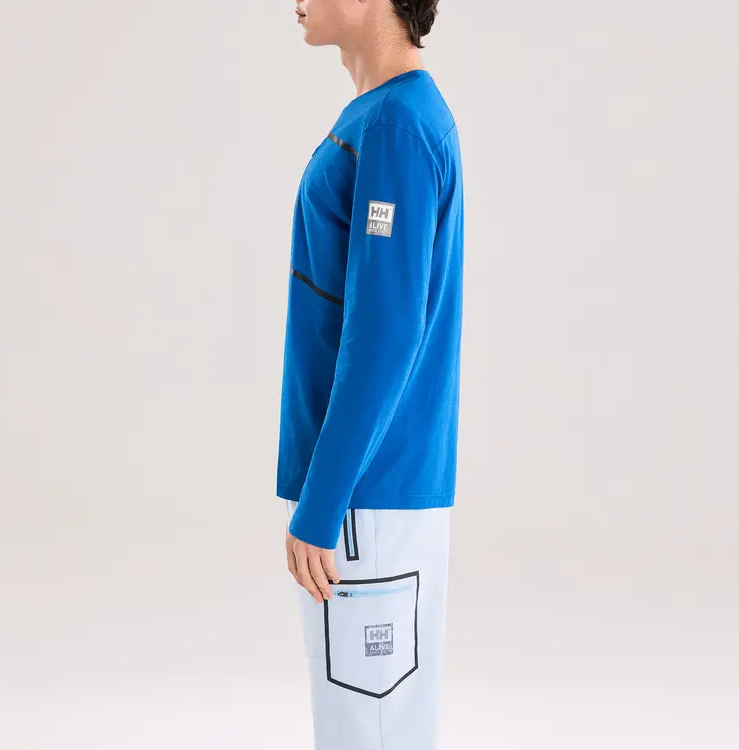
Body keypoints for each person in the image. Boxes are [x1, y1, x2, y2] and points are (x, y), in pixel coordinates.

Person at [275, 1, 463, 747]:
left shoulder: (395, 127)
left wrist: (323, 501)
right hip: (369, 487)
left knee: (371, 728)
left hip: (368, 490)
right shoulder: (386, 116)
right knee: (367, 722)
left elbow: (384, 335)